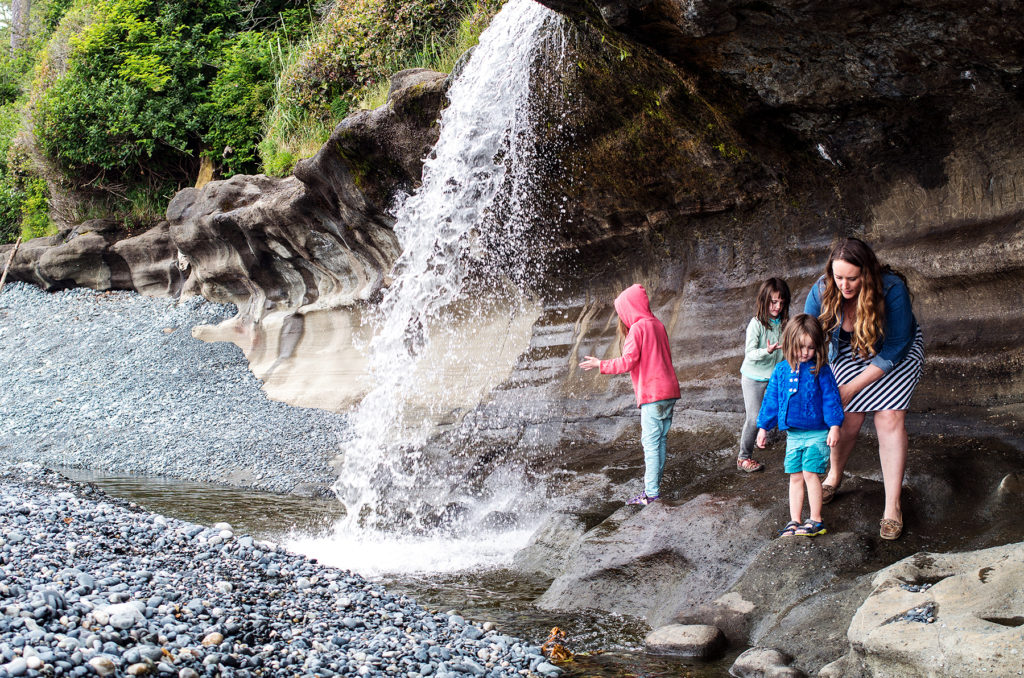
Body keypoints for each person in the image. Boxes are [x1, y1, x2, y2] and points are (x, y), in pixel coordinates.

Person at [804, 237, 924, 540]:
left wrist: (852, 387)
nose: (844, 285)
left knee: (888, 418)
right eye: (838, 277)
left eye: (852, 278)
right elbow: (809, 338)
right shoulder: (822, 289)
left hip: (893, 354)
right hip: (849, 353)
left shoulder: (891, 288)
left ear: (867, 273)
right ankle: (833, 475)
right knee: (845, 416)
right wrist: (810, 383)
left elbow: (898, 345)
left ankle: (892, 507)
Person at [580, 284, 681, 505]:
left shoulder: (638, 329)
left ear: (629, 309)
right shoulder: (658, 325)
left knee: (650, 444)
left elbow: (628, 362)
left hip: (653, 396)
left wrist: (600, 364)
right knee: (660, 441)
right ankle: (654, 488)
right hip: (669, 393)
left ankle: (651, 494)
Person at [756, 314, 844, 537]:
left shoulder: (820, 370)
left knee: (809, 473)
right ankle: (794, 520)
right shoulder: (781, 371)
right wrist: (763, 427)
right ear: (789, 344)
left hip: (817, 433)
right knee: (795, 475)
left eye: (811, 348)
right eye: (800, 347)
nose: (805, 353)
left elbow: (831, 398)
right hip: (793, 435)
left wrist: (834, 425)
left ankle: (816, 519)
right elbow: (771, 399)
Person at [737, 278, 791, 472]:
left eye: (781, 302)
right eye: (773, 302)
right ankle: (743, 458)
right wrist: (766, 351)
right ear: (764, 300)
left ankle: (794, 450)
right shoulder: (756, 324)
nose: (777, 306)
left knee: (788, 408)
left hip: (775, 377)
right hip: (753, 377)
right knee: (754, 418)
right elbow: (749, 353)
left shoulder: (785, 323)